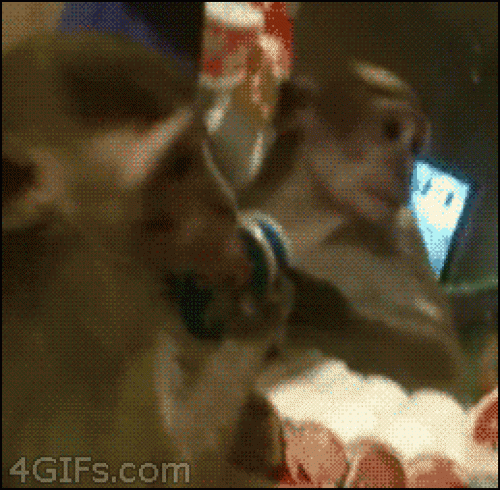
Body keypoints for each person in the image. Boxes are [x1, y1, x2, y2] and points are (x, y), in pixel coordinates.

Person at [245, 3, 475, 398]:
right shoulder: (236, 179)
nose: (404, 162)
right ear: (302, 110)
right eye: (388, 129)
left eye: (415, 146)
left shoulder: (396, 238)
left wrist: (336, 320)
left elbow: (446, 371)